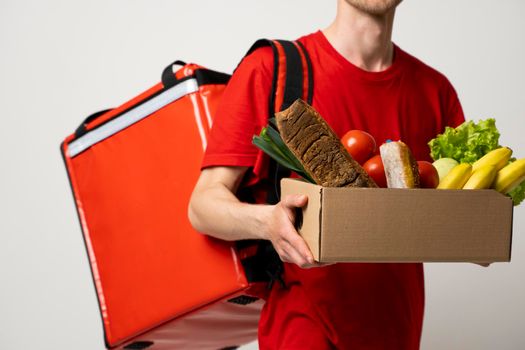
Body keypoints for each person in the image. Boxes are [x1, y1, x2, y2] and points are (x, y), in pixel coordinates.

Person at [188, 0, 465, 348]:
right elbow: (203, 204)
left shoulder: (434, 91)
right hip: (303, 330)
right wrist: (267, 222)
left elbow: (467, 220)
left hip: (398, 332)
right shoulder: (270, 69)